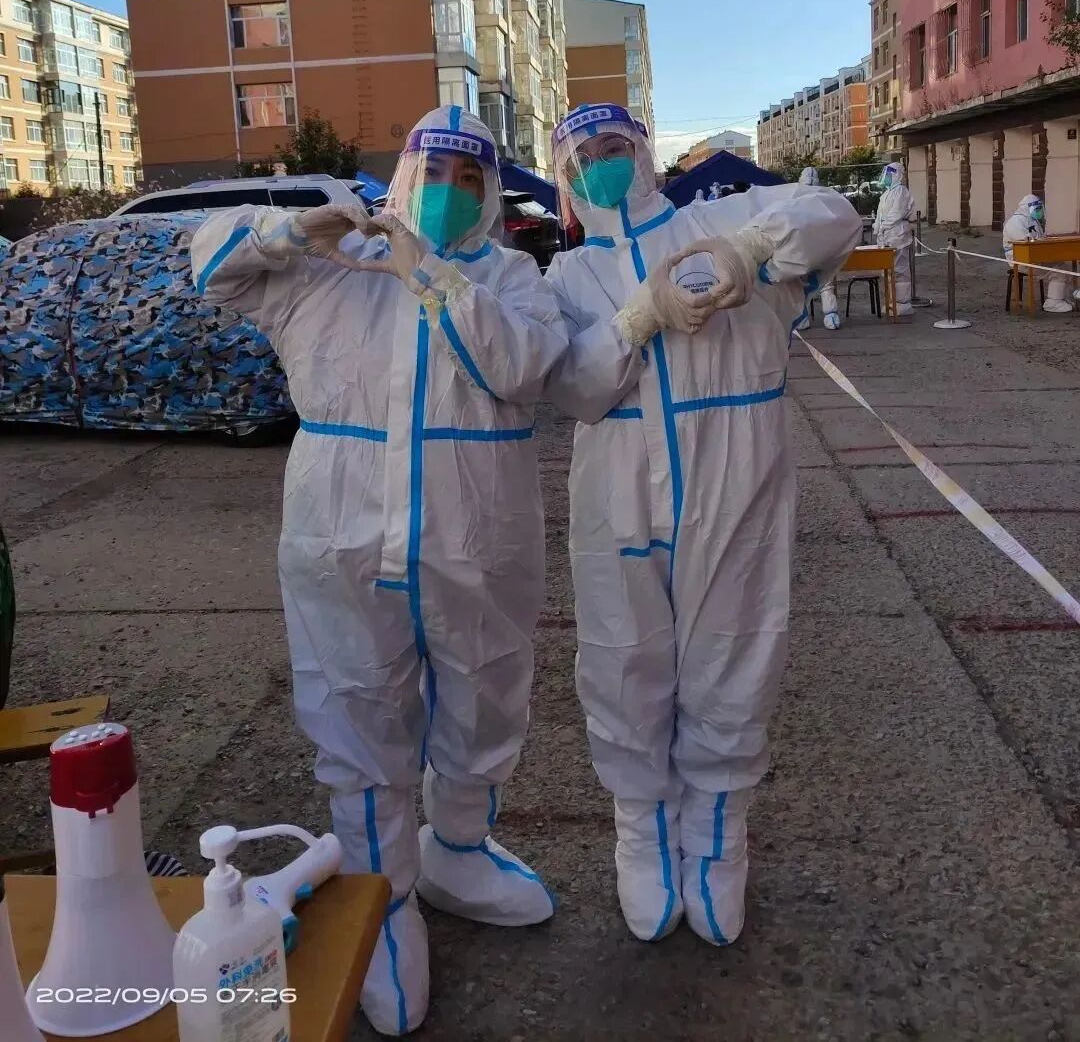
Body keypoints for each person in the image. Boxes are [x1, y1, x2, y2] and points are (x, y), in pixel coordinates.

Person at [190, 106, 567, 1036]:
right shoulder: (330, 264)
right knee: (356, 706)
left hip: (477, 532)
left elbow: (521, 367)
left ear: (491, 193)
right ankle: (383, 897)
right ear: (401, 175)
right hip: (340, 526)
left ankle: (460, 849)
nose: (448, 192)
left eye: (470, 179)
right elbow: (210, 265)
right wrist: (287, 231)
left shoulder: (510, 277)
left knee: (484, 692)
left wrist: (427, 272)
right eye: (432, 172)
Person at [542, 104, 861, 948]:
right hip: (617, 493)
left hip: (736, 480)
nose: (603, 164)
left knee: (734, 653)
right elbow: (573, 390)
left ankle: (718, 840)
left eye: (616, 147)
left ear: (646, 153)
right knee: (624, 659)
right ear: (566, 180)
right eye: (583, 157)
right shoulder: (567, 276)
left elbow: (836, 215)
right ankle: (642, 834)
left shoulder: (719, 218)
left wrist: (746, 251)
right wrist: (636, 319)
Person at [1003, 194, 1073, 313]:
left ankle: (1060, 299)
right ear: (1028, 207)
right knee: (1058, 270)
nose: (1039, 211)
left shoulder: (1033, 221)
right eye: (1038, 208)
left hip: (1035, 257)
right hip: (1021, 261)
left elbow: (1039, 239)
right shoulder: (1015, 222)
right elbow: (1023, 243)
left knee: (1062, 265)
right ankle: (1053, 303)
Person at [799, 167, 843, 330]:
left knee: (801, 284)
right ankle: (831, 316)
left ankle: (802, 318)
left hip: (804, 248)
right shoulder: (825, 199)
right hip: (822, 247)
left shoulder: (797, 200)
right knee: (825, 282)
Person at [873, 161, 916, 315]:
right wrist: (878, 227)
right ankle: (891, 302)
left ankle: (902, 303)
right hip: (886, 237)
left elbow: (896, 214)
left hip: (898, 235)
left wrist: (883, 226)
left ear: (896, 175)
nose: (885, 177)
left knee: (899, 270)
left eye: (889, 174)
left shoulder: (901, 192)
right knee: (887, 271)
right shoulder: (886, 194)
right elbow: (880, 215)